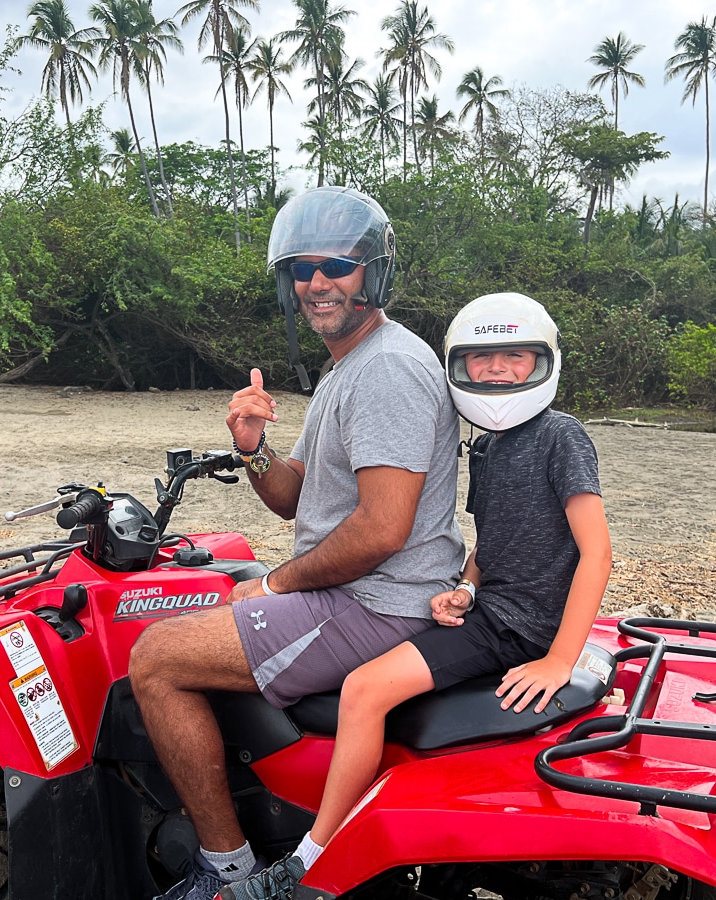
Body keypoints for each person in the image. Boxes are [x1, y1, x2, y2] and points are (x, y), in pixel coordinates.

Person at [127, 186, 466, 900]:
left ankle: (226, 871)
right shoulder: (349, 366)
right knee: (218, 593)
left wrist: (279, 584)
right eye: (302, 269)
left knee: (155, 658)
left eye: (336, 266)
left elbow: (381, 531)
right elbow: (293, 495)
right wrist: (253, 448)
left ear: (372, 272)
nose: (317, 283)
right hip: (358, 590)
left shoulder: (389, 370)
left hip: (378, 602)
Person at [218, 292, 613, 900]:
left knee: (364, 689)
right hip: (488, 610)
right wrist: (465, 588)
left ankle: (312, 858)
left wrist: (559, 657)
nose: (499, 370)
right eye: (482, 359)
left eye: (516, 356)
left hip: (518, 629)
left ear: (545, 363)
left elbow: (596, 551)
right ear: (458, 365)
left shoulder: (561, 435)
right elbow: (490, 543)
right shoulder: (487, 445)